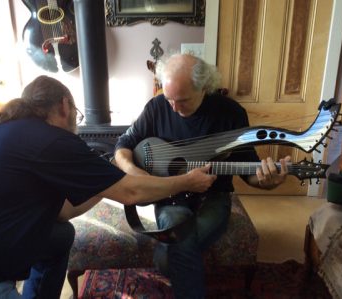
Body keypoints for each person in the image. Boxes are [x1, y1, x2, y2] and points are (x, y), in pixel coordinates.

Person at [0, 75, 217, 299]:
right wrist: (187, 181)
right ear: (65, 105)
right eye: (76, 112)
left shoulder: (14, 133)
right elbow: (132, 192)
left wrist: (106, 182)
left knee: (60, 235)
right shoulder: (53, 140)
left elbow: (62, 212)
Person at [114, 53, 291, 298]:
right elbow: (122, 145)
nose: (173, 107)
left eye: (183, 100)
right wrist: (137, 174)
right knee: (181, 236)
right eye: (169, 99)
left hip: (213, 197)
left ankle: (165, 256)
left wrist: (267, 181)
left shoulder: (231, 114)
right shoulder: (157, 106)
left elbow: (248, 168)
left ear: (205, 88)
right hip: (169, 196)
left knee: (175, 247)